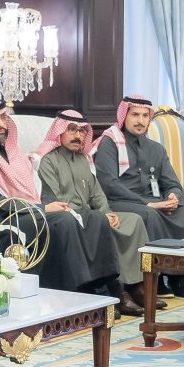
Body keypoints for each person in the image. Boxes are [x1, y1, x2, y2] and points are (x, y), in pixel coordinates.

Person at [0, 97, 115, 297]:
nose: (2, 124)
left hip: (31, 209)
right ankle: (73, 291)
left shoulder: (12, 152)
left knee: (93, 217)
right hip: (6, 217)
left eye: (3, 117)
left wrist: (47, 204)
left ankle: (103, 284)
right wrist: (43, 208)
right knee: (63, 221)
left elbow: (35, 187)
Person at [32, 111, 148, 314]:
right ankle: (115, 290)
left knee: (134, 221)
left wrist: (107, 212)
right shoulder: (48, 161)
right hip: (71, 219)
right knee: (98, 222)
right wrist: (100, 216)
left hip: (93, 216)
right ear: (59, 132)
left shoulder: (83, 160)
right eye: (71, 130)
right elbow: (53, 201)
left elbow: (97, 194)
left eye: (81, 131)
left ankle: (135, 285)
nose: (77, 135)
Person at [94, 95, 184, 297]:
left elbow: (171, 182)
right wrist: (148, 203)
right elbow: (108, 184)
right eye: (135, 115)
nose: (140, 120)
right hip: (119, 202)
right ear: (124, 116)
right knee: (150, 214)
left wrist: (173, 197)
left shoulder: (156, 148)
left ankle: (181, 275)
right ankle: (157, 275)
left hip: (153, 202)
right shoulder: (110, 144)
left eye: (145, 116)